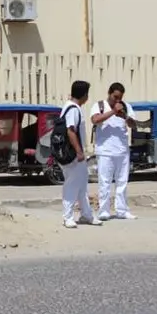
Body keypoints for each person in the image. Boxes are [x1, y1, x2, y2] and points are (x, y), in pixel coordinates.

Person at [91, 82, 138, 221]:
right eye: (115, 97)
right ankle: (104, 211)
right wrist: (112, 112)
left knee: (122, 182)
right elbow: (95, 120)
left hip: (122, 151)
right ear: (109, 93)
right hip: (105, 151)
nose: (118, 100)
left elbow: (134, 125)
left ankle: (122, 210)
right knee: (104, 182)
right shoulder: (99, 105)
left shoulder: (126, 106)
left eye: (120, 98)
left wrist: (124, 116)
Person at [61, 80, 101, 228]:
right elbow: (70, 131)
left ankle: (86, 214)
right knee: (72, 184)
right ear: (84, 95)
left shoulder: (71, 107)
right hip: (73, 154)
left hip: (76, 153)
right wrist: (78, 151)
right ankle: (67, 217)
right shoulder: (72, 109)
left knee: (82, 184)